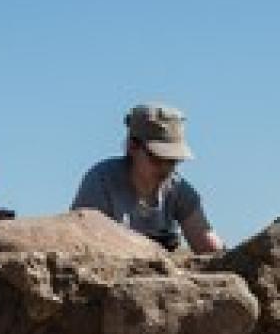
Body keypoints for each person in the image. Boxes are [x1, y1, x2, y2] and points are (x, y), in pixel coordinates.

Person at [73, 104, 224, 254]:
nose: (166, 169)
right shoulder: (101, 181)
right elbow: (82, 245)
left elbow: (210, 248)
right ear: (132, 147)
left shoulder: (178, 189)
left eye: (173, 161)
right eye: (157, 159)